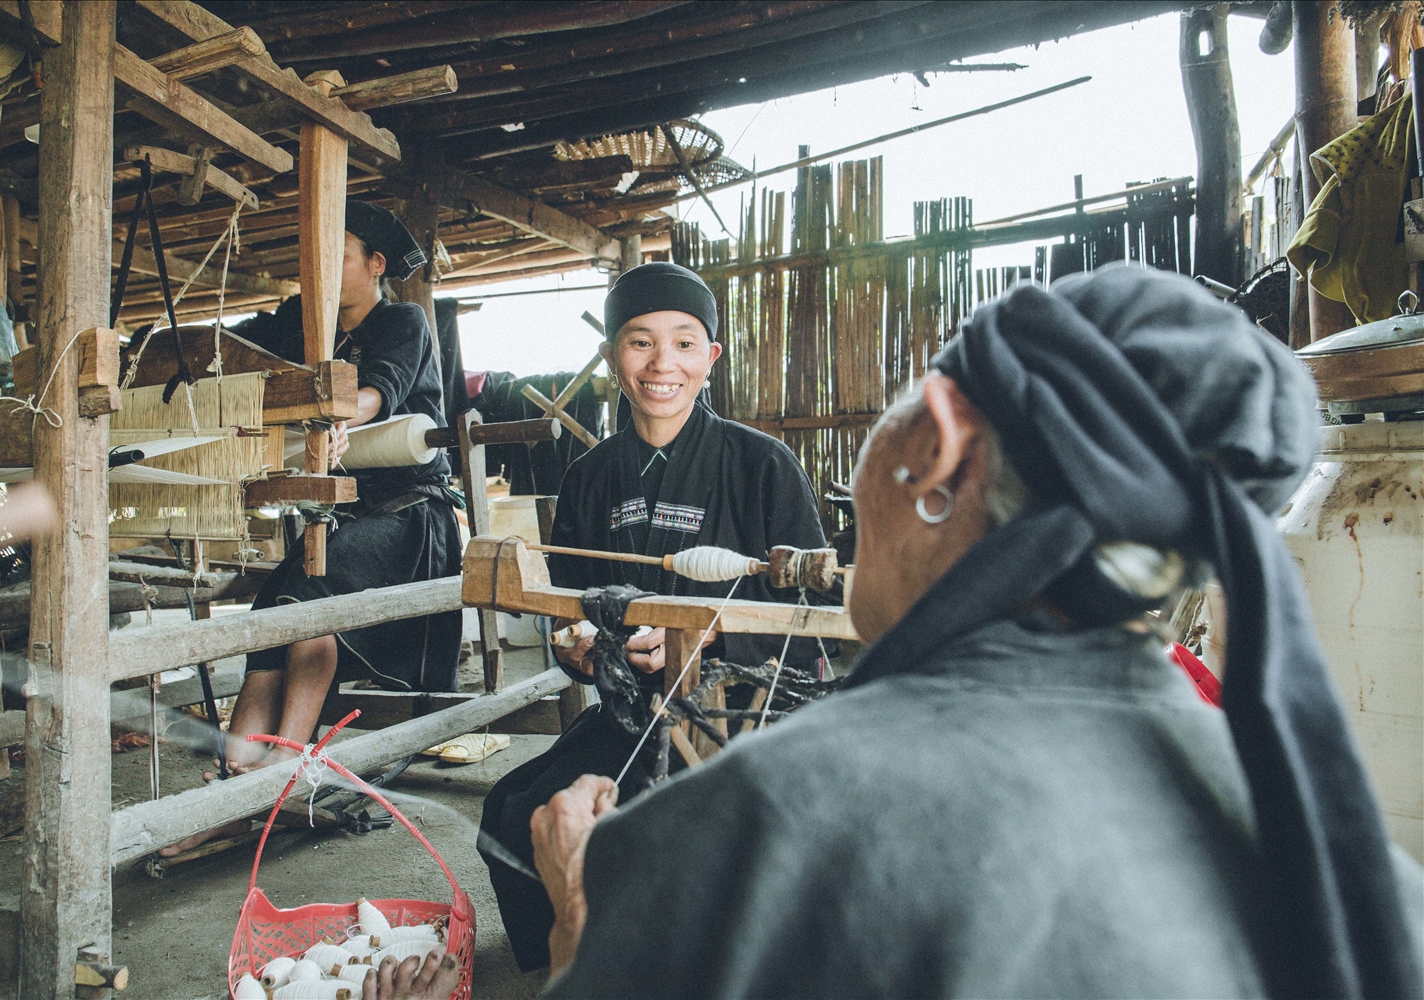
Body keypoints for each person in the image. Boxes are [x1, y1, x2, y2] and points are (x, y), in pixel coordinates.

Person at [528, 266, 1424, 998]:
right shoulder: (1351, 873)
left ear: (942, 447)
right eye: (640, 343)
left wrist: (579, 920)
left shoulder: (738, 832)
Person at [479, 261, 838, 972]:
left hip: (745, 711)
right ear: (614, 357)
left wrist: (707, 637)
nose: (661, 364)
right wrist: (581, 648)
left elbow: (813, 609)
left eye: (682, 342)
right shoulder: (588, 478)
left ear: (711, 356)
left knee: (692, 822)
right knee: (518, 807)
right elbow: (573, 614)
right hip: (636, 711)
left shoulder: (762, 465)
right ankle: (584, 960)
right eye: (639, 342)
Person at [160, 201, 462, 856]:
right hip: (341, 514)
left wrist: (339, 413)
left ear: (376, 265)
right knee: (269, 617)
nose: (319, 270)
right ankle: (232, 782)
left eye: (338, 254)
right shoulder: (304, 324)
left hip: (410, 514)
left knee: (309, 601)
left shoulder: (403, 322)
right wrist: (165, 359)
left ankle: (283, 772)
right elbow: (231, 349)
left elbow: (379, 390)